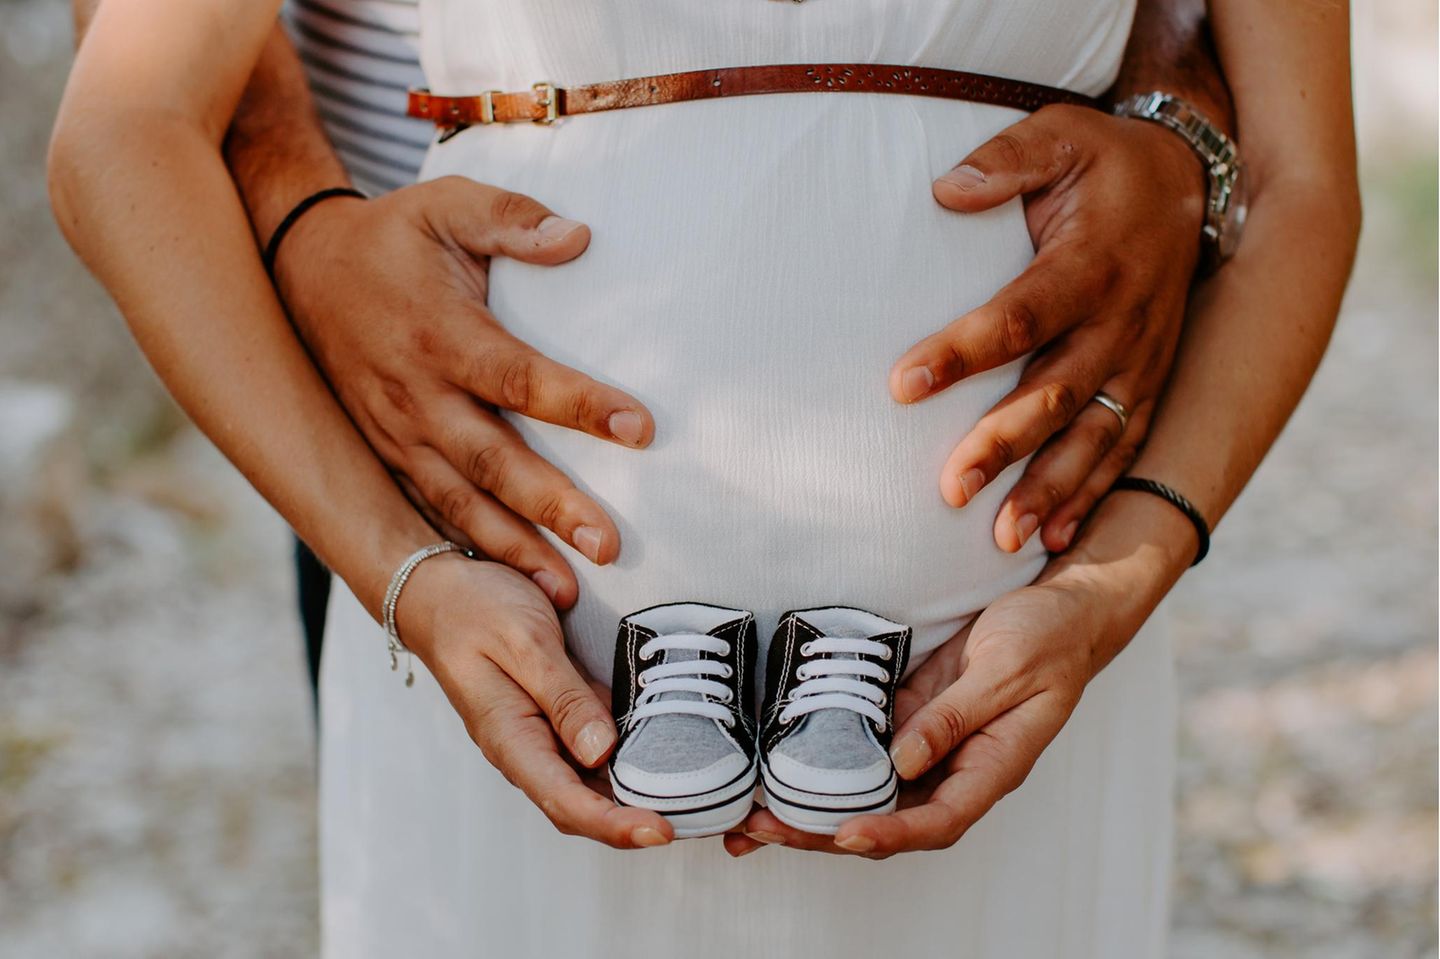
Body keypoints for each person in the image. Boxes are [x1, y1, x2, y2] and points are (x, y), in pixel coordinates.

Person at [47, 0, 1359, 955]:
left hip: (1015, 642)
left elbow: (1300, 167)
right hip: (462, 529)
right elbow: (129, 117)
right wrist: (401, 570)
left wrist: (1122, 568)